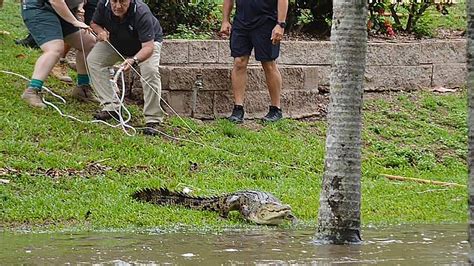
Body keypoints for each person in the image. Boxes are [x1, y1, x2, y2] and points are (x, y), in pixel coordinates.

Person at [87, 0, 164, 136]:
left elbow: (148, 47)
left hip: (145, 45)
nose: (117, 6)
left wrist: (134, 60)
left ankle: (153, 119)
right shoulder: (103, 5)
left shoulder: (141, 12)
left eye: (122, 2)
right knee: (94, 60)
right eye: (114, 1)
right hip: (117, 42)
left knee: (150, 72)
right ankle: (112, 107)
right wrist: (100, 32)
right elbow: (94, 23)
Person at [220, 0, 288, 123]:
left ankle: (276, 109)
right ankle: (238, 109)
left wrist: (280, 24)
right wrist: (225, 20)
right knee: (239, 62)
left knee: (268, 64)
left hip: (266, 21)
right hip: (241, 22)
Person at [20, 0, 96, 108]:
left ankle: (82, 88)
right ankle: (32, 90)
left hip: (63, 9)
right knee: (55, 48)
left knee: (89, 43)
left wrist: (79, 7)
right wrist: (74, 21)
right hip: (40, 7)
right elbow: (56, 1)